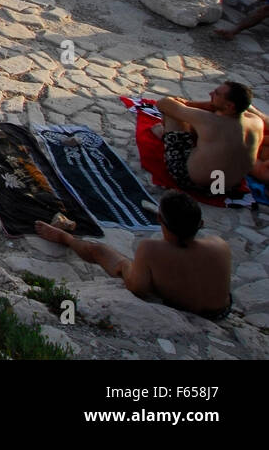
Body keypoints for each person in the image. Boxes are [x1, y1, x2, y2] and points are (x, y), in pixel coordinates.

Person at [34, 192, 232, 319]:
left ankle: (65, 238)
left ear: (159, 219)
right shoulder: (219, 245)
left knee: (102, 252)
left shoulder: (152, 249)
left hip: (187, 311)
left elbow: (138, 287)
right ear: (201, 225)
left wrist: (126, 266)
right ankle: (67, 238)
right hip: (222, 311)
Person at [153, 82, 263, 196]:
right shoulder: (257, 121)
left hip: (195, 184)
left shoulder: (209, 120)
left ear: (229, 106)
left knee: (173, 116)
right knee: (208, 131)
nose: (210, 93)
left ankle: (163, 132)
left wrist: (189, 103)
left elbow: (163, 104)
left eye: (216, 94)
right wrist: (214, 105)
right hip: (227, 188)